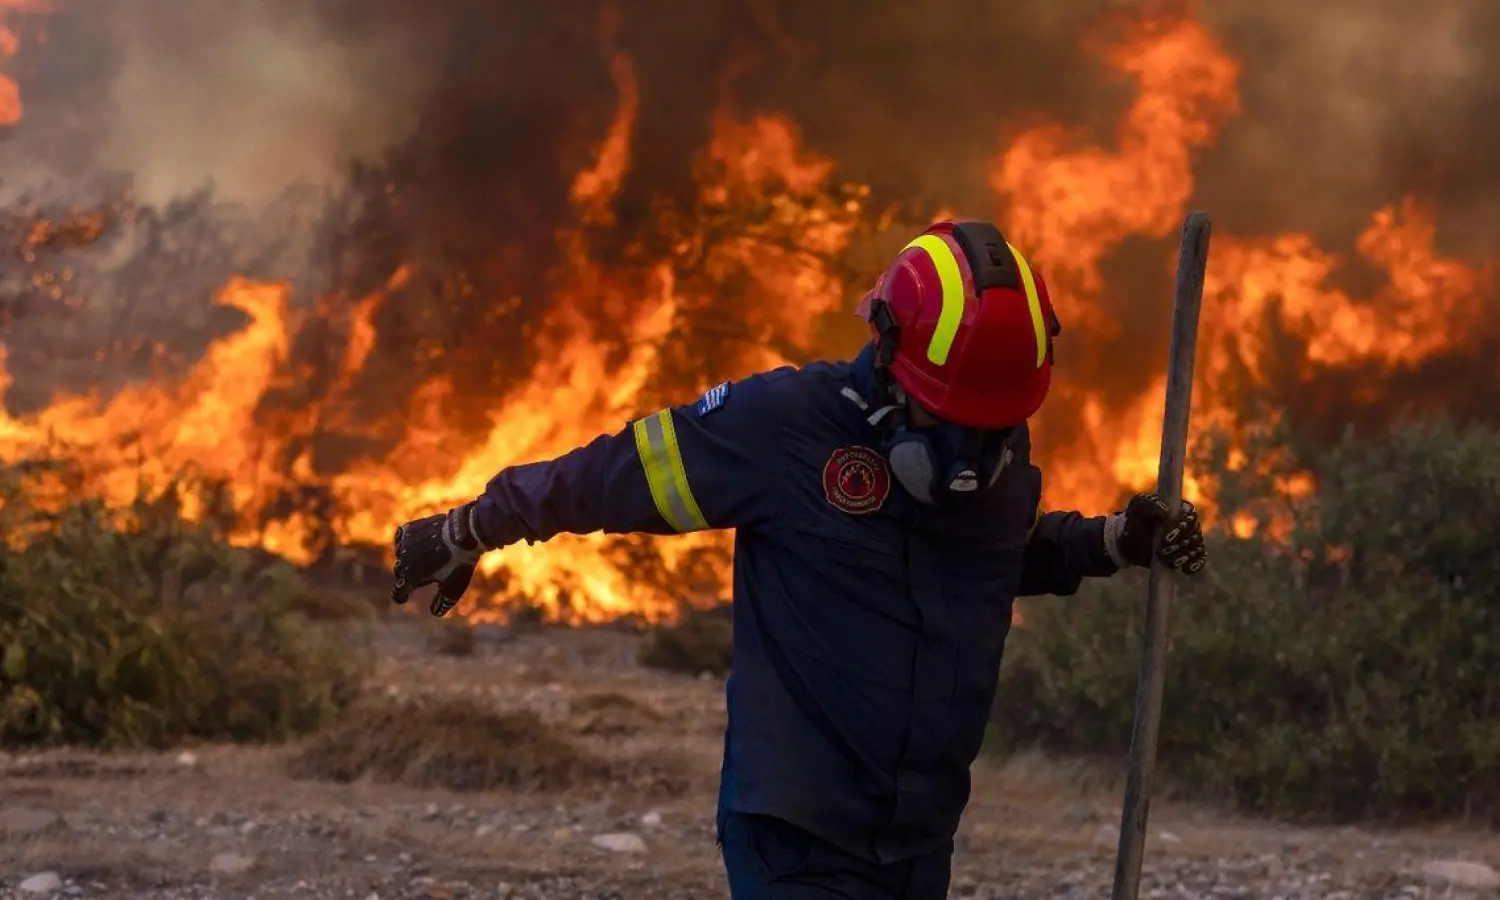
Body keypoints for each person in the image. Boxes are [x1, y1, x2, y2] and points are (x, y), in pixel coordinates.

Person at [390, 219, 1209, 900]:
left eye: (993, 428)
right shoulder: (781, 429)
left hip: (919, 837)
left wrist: (1109, 543)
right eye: (950, 421)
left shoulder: (988, 441)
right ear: (889, 357)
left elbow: (988, 558)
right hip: (800, 836)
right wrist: (471, 527)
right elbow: (607, 477)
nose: (971, 454)